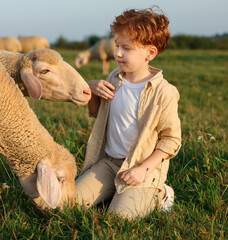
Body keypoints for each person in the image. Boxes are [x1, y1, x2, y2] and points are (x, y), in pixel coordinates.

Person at [75, 7, 181, 220]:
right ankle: (116, 189)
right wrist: (92, 87)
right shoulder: (115, 77)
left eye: (127, 48)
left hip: (141, 167)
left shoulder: (164, 92)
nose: (118, 53)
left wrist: (143, 170)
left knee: (118, 220)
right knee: (67, 203)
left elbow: (171, 140)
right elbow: (96, 113)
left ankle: (161, 193)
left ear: (150, 53)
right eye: (116, 45)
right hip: (109, 162)